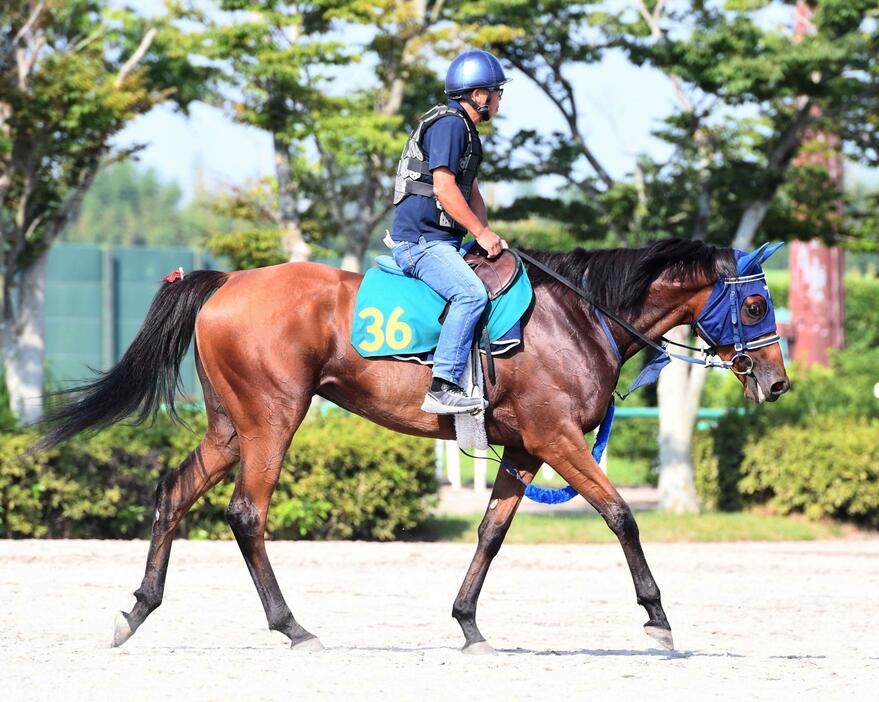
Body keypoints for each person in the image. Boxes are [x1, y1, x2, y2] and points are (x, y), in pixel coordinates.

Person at [389, 49, 510, 414]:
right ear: (479, 95)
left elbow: (470, 192)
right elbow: (444, 188)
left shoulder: (467, 131)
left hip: (444, 242)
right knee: (472, 295)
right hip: (421, 245)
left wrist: (487, 234)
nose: (500, 99)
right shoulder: (451, 125)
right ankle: (443, 386)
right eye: (497, 91)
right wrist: (481, 233)